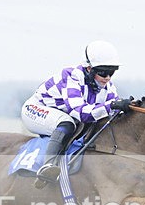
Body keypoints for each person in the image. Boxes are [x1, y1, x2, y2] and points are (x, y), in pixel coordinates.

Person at [21, 40, 133, 188]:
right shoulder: (72, 76)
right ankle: (47, 166)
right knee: (67, 124)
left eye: (111, 72)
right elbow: (79, 112)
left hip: (63, 113)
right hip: (35, 110)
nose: (107, 77)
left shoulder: (108, 86)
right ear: (89, 69)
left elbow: (113, 110)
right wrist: (111, 105)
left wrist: (127, 106)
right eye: (103, 72)